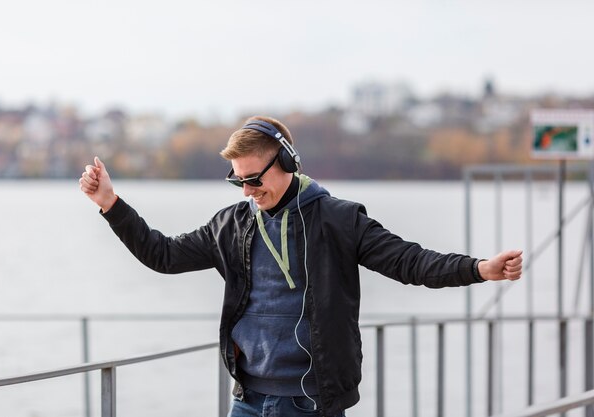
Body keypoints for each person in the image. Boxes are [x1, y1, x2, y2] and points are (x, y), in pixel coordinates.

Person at [79, 115, 522, 417]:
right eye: (238, 180)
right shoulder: (231, 226)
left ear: (288, 162)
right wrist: (111, 205)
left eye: (255, 178)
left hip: (311, 403)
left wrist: (479, 268)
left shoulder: (339, 219)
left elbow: (409, 261)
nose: (248, 189)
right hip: (248, 399)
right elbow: (164, 255)